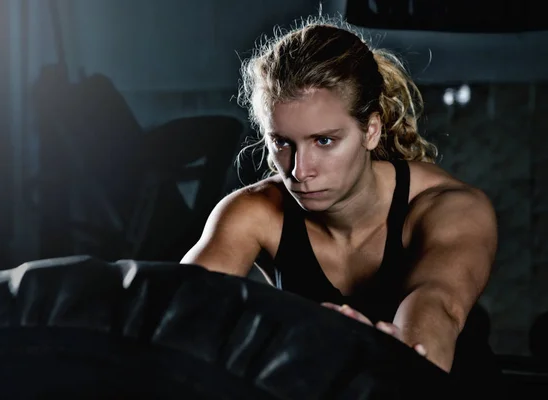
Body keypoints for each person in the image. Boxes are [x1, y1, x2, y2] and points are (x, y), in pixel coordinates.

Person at [181, 16, 499, 379]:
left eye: (324, 141)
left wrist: (401, 361)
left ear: (371, 131)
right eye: (282, 143)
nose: (300, 171)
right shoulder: (254, 212)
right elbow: (178, 311)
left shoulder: (450, 208)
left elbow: (435, 305)